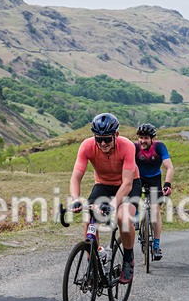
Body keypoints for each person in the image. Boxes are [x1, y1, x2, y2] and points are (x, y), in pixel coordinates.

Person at [69, 113, 142, 284]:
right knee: (89, 218)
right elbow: (75, 177)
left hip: (129, 185)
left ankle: (128, 259)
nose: (103, 144)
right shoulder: (87, 146)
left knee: (123, 218)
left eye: (107, 139)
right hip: (103, 185)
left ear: (116, 135)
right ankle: (92, 266)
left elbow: (127, 183)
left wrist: (112, 204)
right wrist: (75, 199)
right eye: (99, 139)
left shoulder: (127, 146)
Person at [134, 123, 174, 260]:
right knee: (132, 197)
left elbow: (169, 167)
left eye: (146, 138)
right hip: (138, 177)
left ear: (152, 138)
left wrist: (167, 184)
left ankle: (156, 245)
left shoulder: (159, 147)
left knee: (155, 211)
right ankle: (136, 215)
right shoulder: (134, 147)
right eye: (140, 138)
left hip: (154, 179)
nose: (142, 141)